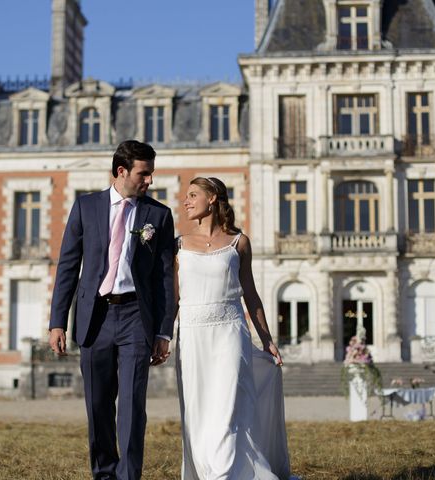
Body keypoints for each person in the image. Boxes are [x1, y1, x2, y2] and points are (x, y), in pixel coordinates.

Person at [48, 140, 175, 480]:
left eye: (150, 174)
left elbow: (165, 278)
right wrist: (57, 322)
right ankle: (104, 474)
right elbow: (68, 267)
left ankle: (128, 476)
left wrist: (164, 331)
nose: (149, 181)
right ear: (122, 172)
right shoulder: (85, 206)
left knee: (132, 407)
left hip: (137, 317)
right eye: (143, 174)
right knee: (98, 404)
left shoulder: (159, 215)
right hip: (95, 317)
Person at [175, 176, 292, 479]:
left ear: (212, 198)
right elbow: (172, 299)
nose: (185, 201)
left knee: (227, 407)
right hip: (191, 336)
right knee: (198, 412)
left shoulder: (239, 242)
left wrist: (266, 339)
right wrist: (160, 336)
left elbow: (250, 294)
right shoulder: (178, 245)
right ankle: (206, 470)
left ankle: (224, 474)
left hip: (229, 332)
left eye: (192, 195)